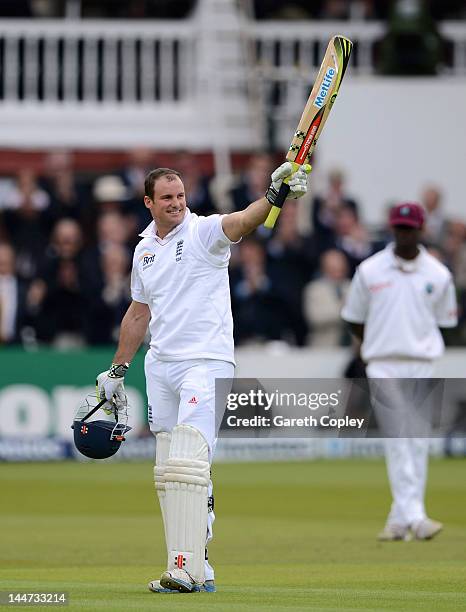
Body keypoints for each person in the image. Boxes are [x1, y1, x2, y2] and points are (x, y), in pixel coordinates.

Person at [95, 163, 310, 593]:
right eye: (167, 198)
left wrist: (274, 195)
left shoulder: (203, 232)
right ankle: (196, 564)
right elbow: (139, 314)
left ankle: (186, 569)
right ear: (148, 203)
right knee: (168, 471)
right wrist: (117, 371)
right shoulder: (143, 251)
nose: (176, 203)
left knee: (189, 460)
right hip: (161, 365)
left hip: (206, 362)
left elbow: (242, 221)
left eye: (180, 195)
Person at [341, 202, 457, 541]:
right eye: (398, 228)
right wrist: (374, 344)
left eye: (409, 229)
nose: (403, 234)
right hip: (383, 363)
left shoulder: (438, 274)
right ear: (392, 229)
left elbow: (446, 322)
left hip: (421, 362)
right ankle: (416, 516)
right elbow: (353, 318)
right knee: (398, 435)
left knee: (417, 439)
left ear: (421, 231)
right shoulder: (371, 270)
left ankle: (399, 518)